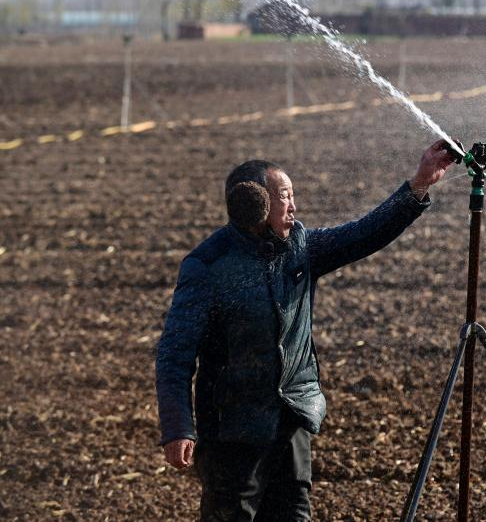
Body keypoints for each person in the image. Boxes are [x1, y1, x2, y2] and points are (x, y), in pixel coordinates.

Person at [156, 141, 455, 521]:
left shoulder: (299, 246)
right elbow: (175, 355)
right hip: (232, 433)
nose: (293, 206)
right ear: (254, 202)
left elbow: (364, 234)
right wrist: (178, 427)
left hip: (292, 420)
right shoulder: (208, 266)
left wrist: (419, 184)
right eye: (285, 196)